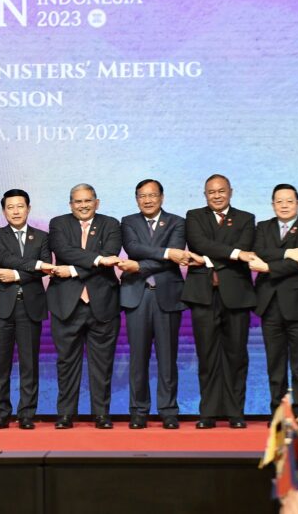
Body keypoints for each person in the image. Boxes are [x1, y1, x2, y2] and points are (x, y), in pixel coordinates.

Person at [47, 183, 134, 429]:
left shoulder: (111, 224)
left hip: (103, 303)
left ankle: (101, 414)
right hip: (66, 304)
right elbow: (65, 251)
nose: (83, 205)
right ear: (70, 204)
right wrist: (97, 259)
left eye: (88, 201)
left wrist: (73, 269)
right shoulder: (58, 223)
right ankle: (65, 413)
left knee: (103, 363)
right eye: (77, 201)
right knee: (66, 362)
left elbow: (110, 254)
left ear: (97, 202)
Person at [182, 174, 256, 429]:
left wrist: (207, 258)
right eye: (211, 192)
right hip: (203, 296)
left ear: (230, 192)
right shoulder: (194, 216)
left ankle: (236, 412)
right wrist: (233, 253)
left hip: (236, 296)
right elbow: (198, 243)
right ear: (205, 195)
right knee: (207, 355)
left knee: (237, 355)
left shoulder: (246, 219)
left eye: (221, 191)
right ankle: (208, 413)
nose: (216, 195)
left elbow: (245, 245)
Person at [249, 184, 298, 427]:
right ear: (272, 204)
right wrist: (288, 252)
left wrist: (269, 266)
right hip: (270, 305)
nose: (284, 205)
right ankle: (278, 413)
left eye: (289, 201)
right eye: (279, 201)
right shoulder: (262, 227)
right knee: (275, 364)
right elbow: (258, 251)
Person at [119, 179, 188, 430]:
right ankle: (138, 411)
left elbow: (176, 255)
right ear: (136, 198)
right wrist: (167, 252)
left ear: (162, 197)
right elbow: (133, 248)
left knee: (168, 357)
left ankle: (168, 410)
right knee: (138, 357)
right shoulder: (128, 222)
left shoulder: (178, 222)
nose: (147, 200)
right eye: (142, 196)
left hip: (167, 294)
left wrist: (141, 265)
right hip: (137, 295)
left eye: (152, 195)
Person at [0, 189, 52, 430]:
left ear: (28, 208)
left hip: (31, 305)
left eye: (20, 206)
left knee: (29, 362)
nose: (15, 211)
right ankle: (1, 413)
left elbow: (47, 268)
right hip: (2, 305)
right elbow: (3, 259)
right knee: (0, 362)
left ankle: (26, 414)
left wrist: (15, 274)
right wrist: (34, 266)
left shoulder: (42, 237)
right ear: (4, 211)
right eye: (10, 207)